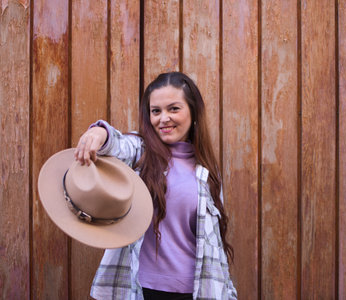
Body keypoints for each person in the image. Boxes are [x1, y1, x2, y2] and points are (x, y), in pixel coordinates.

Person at [74, 72, 237, 300]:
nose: (163, 119)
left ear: (193, 112)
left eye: (174, 109)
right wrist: (99, 132)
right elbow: (119, 145)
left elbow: (214, 244)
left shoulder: (207, 170)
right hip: (141, 288)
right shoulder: (141, 153)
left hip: (195, 290)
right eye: (156, 111)